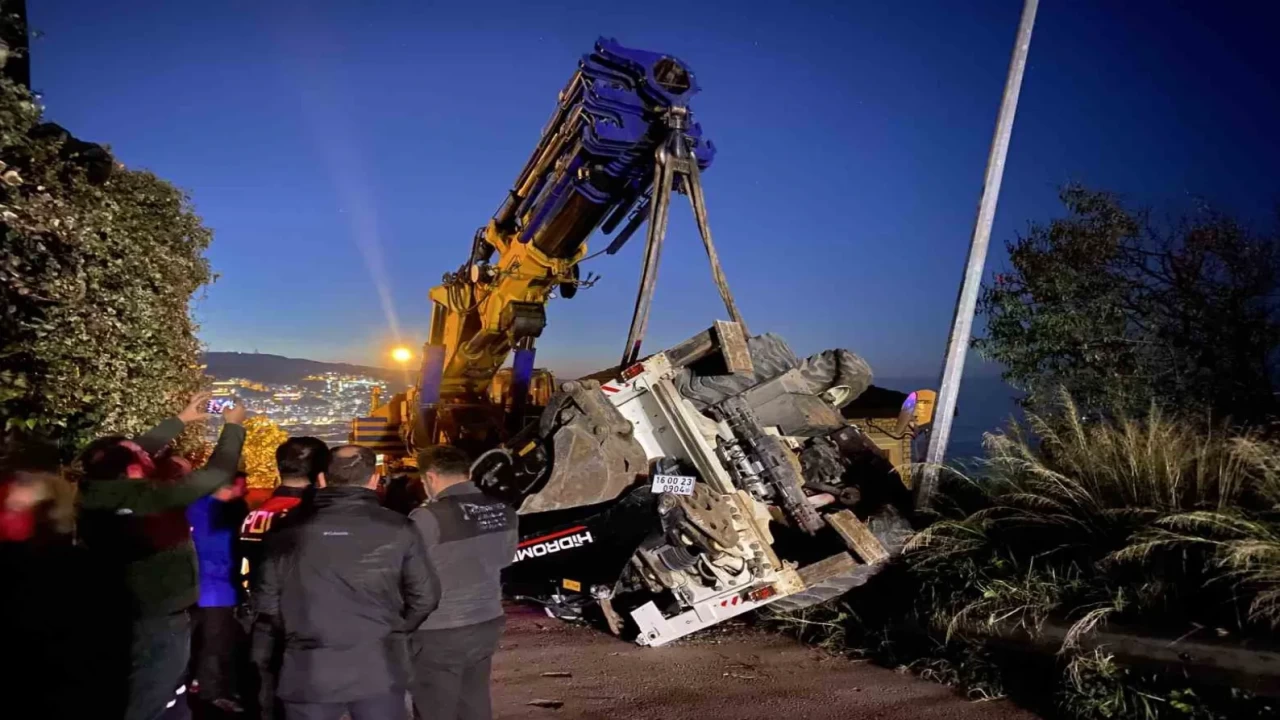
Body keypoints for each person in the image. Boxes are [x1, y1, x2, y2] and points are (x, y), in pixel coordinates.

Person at [77, 391, 248, 720]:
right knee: (152, 694)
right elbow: (215, 474)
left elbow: (126, 455)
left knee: (152, 689)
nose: (149, 454)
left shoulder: (95, 490)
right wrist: (233, 427)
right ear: (132, 469)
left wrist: (181, 420)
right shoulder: (148, 497)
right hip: (157, 615)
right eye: (142, 455)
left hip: (126, 608)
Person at [252, 445, 439, 720]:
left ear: (322, 480)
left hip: (309, 670)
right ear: (374, 481)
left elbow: (266, 602)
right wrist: (393, 630)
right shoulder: (400, 528)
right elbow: (426, 597)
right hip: (379, 668)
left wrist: (299, 634)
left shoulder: (286, 531)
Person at [407, 446, 518, 720]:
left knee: (435, 708)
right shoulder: (504, 510)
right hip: (487, 621)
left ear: (430, 478)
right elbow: (506, 559)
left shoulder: (426, 517)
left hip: (439, 629)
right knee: (474, 701)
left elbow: (407, 574)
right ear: (468, 473)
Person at [241, 436, 329, 720]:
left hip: (263, 617)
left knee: (266, 687)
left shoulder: (255, 515)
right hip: (312, 619)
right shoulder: (321, 518)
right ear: (320, 472)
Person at [187, 472, 250, 713]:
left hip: (195, 589)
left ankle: (203, 686)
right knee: (216, 644)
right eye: (243, 486)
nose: (246, 490)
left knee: (203, 642)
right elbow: (220, 554)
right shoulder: (222, 515)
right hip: (218, 589)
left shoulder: (194, 507)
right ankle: (212, 694)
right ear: (229, 486)